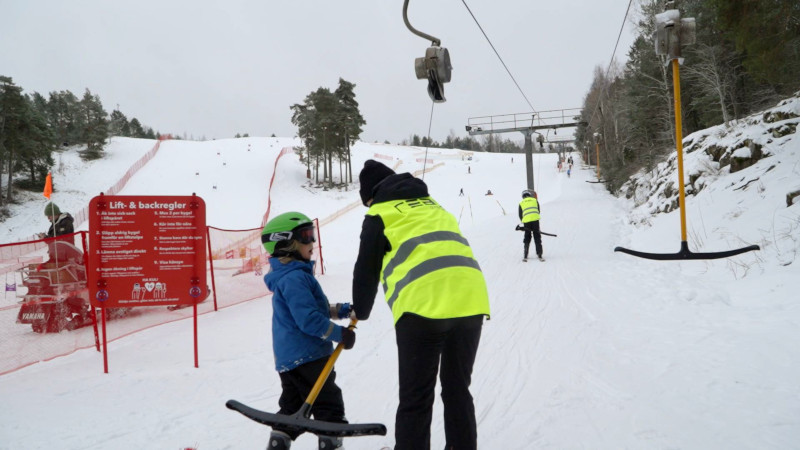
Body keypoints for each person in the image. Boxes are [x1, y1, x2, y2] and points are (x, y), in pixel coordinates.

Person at [352, 160, 491, 450]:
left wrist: (359, 312)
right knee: (457, 389)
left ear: (372, 195)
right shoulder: (433, 205)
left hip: (423, 308)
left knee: (416, 399)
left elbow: (366, 271)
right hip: (471, 300)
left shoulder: (378, 213)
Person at [261, 211, 356, 450]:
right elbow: (309, 320)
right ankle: (330, 440)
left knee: (293, 405)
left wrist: (343, 310)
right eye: (305, 236)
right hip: (308, 355)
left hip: (290, 359)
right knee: (328, 403)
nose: (312, 242)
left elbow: (314, 309)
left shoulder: (289, 277)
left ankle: (279, 440)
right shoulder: (295, 278)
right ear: (286, 244)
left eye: (312, 234)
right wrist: (340, 334)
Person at [518, 190, 543, 261]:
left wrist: (524, 222)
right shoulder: (535, 201)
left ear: (523, 196)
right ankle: (539, 254)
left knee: (527, 236)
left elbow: (520, 215)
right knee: (537, 236)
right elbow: (538, 211)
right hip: (535, 220)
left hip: (526, 221)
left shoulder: (521, 203)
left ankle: (525, 254)